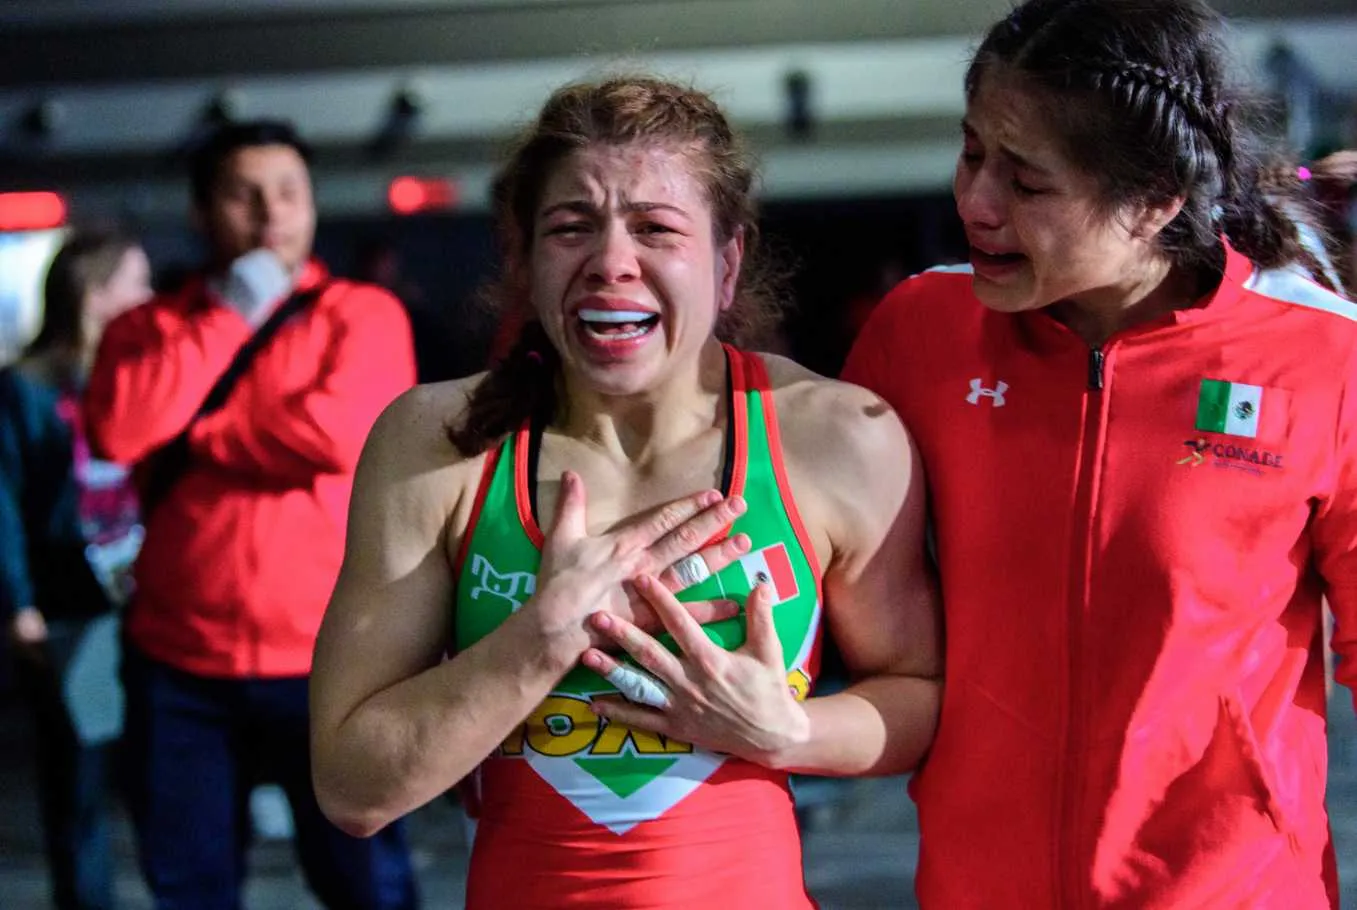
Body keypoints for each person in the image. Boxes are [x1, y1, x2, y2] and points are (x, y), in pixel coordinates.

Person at [310, 75, 941, 909]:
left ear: (726, 261)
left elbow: (918, 694)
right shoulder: (441, 446)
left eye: (655, 229)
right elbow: (353, 788)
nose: (611, 263)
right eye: (571, 228)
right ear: (526, 261)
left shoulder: (837, 436)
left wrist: (788, 730)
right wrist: (537, 641)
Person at [838, 0, 1357, 905]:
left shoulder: (1321, 357)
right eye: (970, 155)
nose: (975, 202)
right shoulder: (918, 333)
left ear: (1156, 202)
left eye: (1027, 184)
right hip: (974, 886)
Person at [84, 120, 420, 909]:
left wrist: (200, 431)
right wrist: (230, 315)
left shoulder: (362, 313)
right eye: (245, 194)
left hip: (331, 657)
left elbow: (338, 433)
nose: (272, 214)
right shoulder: (148, 328)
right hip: (178, 661)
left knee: (366, 885)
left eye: (290, 193)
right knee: (190, 887)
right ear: (203, 213)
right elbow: (124, 428)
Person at [1, 229, 152, 910]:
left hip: (146, 596)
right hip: (66, 601)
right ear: (95, 296)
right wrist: (17, 604)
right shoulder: (25, 389)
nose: (149, 299)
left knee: (159, 773)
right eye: (136, 284)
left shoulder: (139, 377)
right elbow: (1, 502)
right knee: (78, 783)